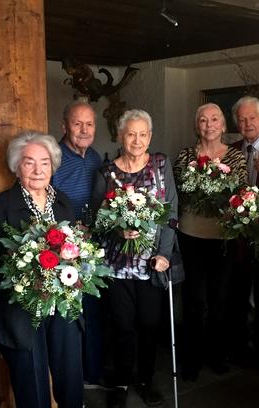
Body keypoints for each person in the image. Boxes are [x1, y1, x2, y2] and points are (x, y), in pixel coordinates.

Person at [0, 131, 83, 408]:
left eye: (45, 162)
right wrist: (27, 278)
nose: (38, 170)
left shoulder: (63, 202)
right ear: (17, 166)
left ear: (53, 166)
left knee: (71, 378)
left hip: (63, 306)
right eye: (29, 162)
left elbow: (77, 251)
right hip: (21, 310)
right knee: (32, 384)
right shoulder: (0, 207)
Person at [91, 109, 178, 408]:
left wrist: (164, 255)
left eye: (143, 134)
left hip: (152, 265)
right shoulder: (106, 173)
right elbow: (97, 221)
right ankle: (122, 381)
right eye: (131, 133)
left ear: (150, 137)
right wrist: (119, 231)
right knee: (123, 326)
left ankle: (147, 379)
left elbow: (170, 214)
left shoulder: (160, 165)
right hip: (117, 267)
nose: (137, 140)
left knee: (149, 325)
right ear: (119, 136)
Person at [172, 103, 246, 380]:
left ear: (224, 125)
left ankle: (217, 355)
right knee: (194, 298)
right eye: (203, 120)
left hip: (222, 237)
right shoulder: (184, 156)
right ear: (197, 125)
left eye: (215, 119)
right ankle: (191, 359)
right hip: (191, 235)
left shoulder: (236, 157)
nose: (209, 124)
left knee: (219, 298)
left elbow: (242, 194)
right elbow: (176, 192)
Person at [51, 101, 104, 386]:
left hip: (92, 249)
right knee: (69, 314)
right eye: (77, 123)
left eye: (89, 124)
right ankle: (70, 377)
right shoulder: (54, 157)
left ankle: (92, 372)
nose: (84, 130)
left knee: (93, 308)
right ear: (64, 126)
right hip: (62, 250)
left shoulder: (96, 158)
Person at [229, 96, 259, 366]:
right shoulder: (232, 149)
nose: (247, 123)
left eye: (252, 118)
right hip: (238, 237)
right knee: (237, 293)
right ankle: (238, 347)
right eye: (242, 119)